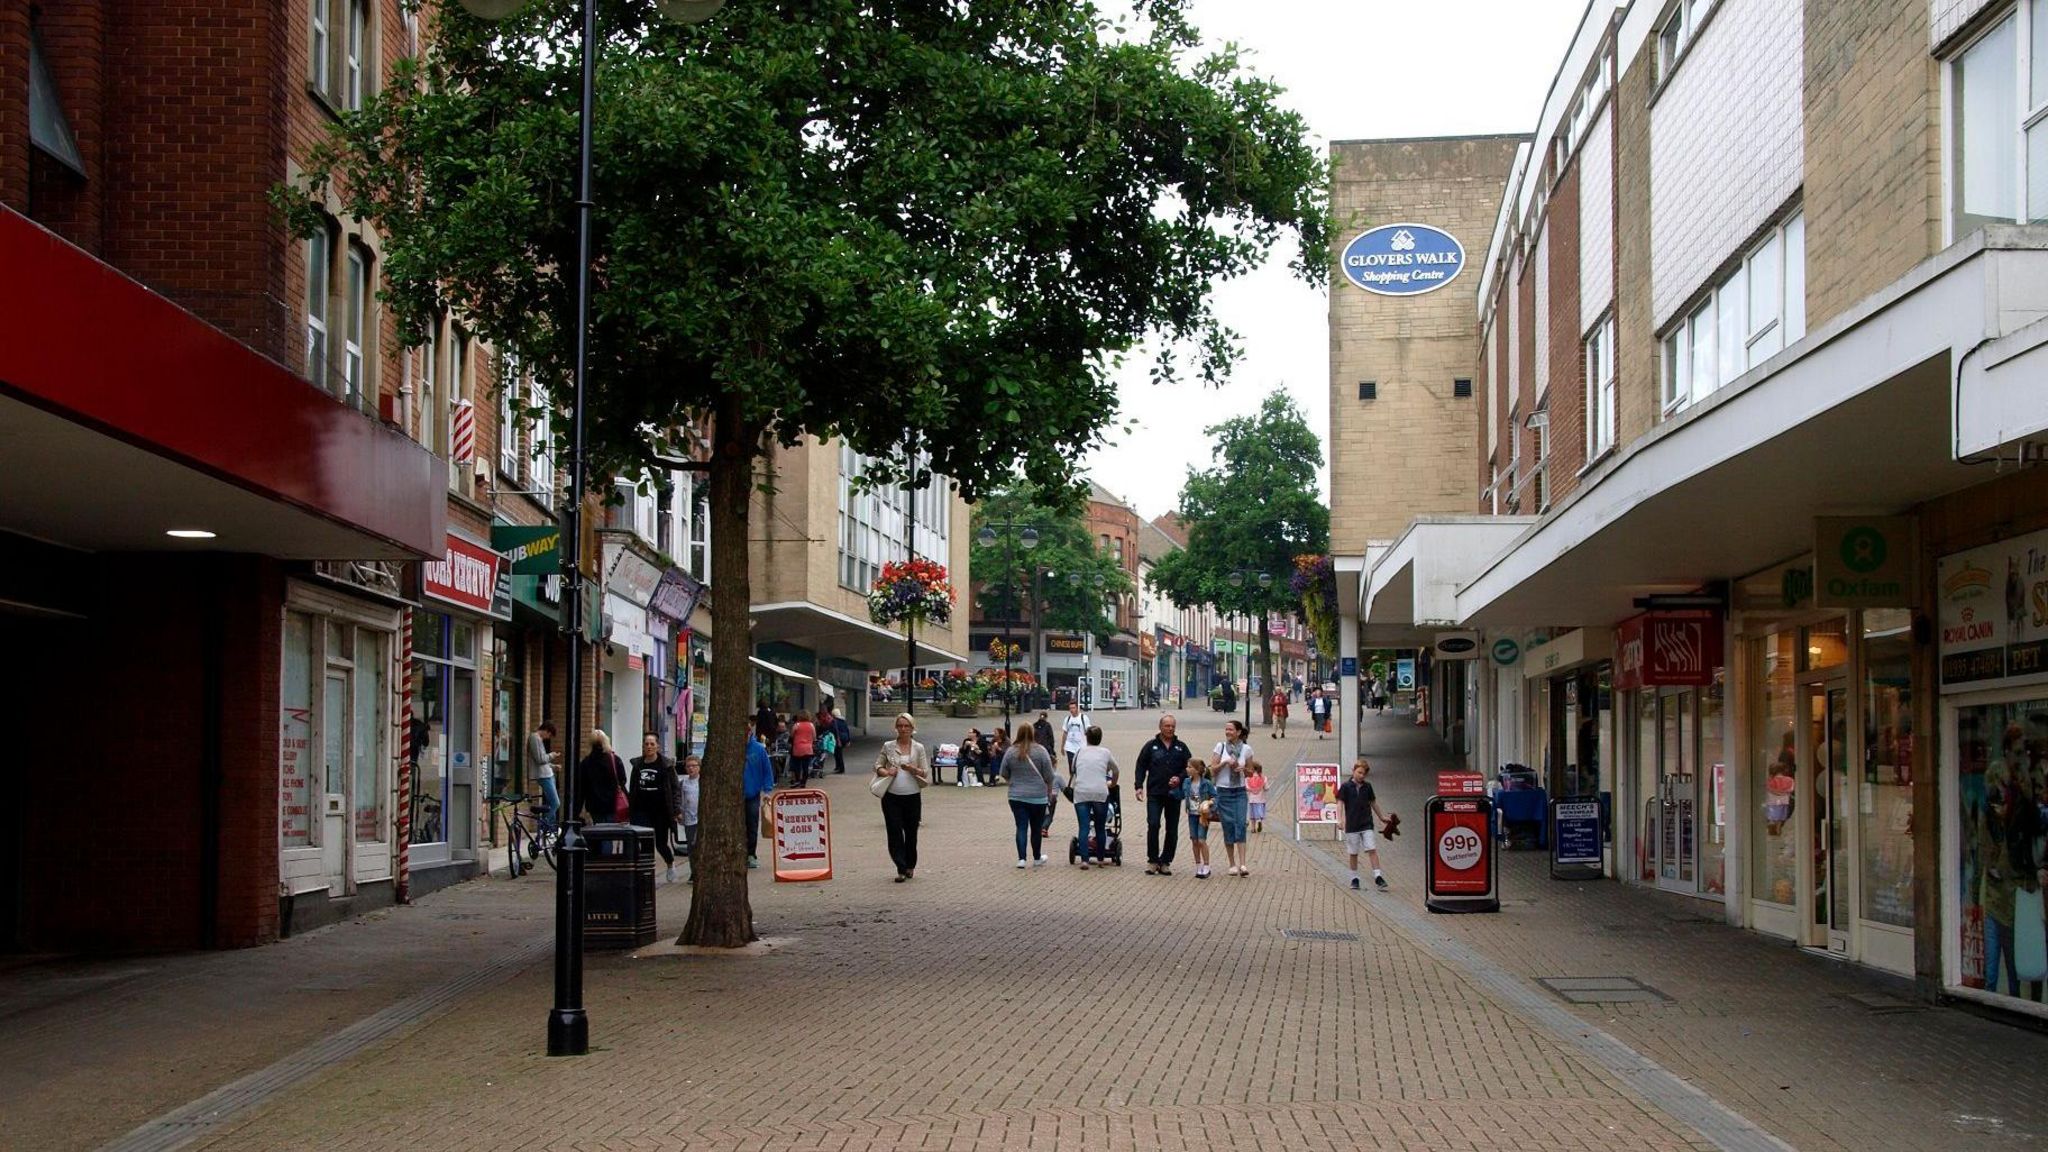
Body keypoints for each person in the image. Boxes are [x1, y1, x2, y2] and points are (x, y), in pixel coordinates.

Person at [1134, 714, 1194, 876]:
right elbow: (1141, 765)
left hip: (1174, 794)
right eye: (1167, 726)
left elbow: (1190, 768)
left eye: (1173, 726)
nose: (1170, 729)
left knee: (1172, 828)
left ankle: (1166, 861)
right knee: (1153, 824)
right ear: (1160, 727)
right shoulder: (1151, 746)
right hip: (1155, 792)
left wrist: (1180, 778)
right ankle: (1152, 860)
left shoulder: (1181, 747)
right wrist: (1138, 786)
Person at [873, 713, 930, 882]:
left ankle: (910, 864)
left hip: (912, 795)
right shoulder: (888, 746)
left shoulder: (918, 747)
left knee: (911, 832)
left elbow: (924, 771)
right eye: (900, 726)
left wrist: (913, 769)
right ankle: (901, 867)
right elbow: (877, 765)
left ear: (912, 728)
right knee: (894, 831)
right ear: (896, 728)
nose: (903, 729)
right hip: (891, 796)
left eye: (907, 726)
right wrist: (886, 771)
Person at [1000, 722, 1057, 867]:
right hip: (1038, 796)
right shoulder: (1041, 751)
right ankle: (1037, 858)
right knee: (1036, 829)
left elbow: (1004, 772)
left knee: (1021, 827)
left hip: (1016, 796)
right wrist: (1049, 792)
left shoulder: (1011, 751)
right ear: (1033, 733)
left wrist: (1012, 782)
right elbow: (1049, 776)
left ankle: (1021, 859)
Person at [629, 732, 682, 883]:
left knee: (660, 843)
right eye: (646, 744)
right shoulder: (638, 765)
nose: (649, 747)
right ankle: (647, 874)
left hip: (661, 811)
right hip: (641, 810)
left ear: (658, 746)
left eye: (652, 744)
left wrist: (676, 809)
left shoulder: (666, 765)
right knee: (644, 842)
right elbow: (633, 787)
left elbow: (675, 788)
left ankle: (670, 863)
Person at [1210, 720, 1255, 877]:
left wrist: (1244, 769)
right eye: (1226, 729)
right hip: (1223, 791)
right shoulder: (1220, 747)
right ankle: (1232, 864)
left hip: (1240, 791)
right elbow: (1212, 770)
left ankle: (1243, 864)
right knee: (1228, 825)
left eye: (1231, 729)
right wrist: (1224, 763)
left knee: (1241, 824)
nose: (1228, 732)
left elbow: (1251, 772)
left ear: (1238, 732)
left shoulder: (1247, 749)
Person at [1339, 758, 1391, 890]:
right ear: (1353, 771)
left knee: (1371, 849)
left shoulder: (1367, 787)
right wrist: (1340, 819)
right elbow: (1340, 803)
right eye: (1359, 772)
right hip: (1352, 824)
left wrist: (1381, 817)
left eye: (1363, 774)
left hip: (1366, 823)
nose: (1361, 776)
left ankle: (1378, 876)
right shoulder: (1345, 787)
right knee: (1353, 852)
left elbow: (1373, 802)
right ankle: (1354, 878)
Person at [1070, 725, 1118, 868]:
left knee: (1084, 827)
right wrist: (1112, 784)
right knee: (1100, 826)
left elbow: (1073, 770)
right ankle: (1101, 858)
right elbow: (1116, 770)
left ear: (1086, 737)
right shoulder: (1105, 753)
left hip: (1082, 791)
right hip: (1100, 792)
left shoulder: (1079, 752)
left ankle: (1084, 860)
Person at [578, 730, 626, 825]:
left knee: (597, 832)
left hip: (594, 805)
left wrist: (579, 809)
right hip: (612, 804)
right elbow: (622, 779)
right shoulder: (614, 759)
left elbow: (581, 787)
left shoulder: (586, 762)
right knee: (609, 832)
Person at [743, 729, 775, 868]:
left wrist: (767, 790)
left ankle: (751, 854)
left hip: (752, 794)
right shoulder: (732, 749)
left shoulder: (758, 749)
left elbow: (767, 770)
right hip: (734, 795)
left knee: (751, 824)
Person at [1181, 760, 1218, 878]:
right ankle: (1198, 865)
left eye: (1189, 767)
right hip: (1192, 814)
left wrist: (1210, 803)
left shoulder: (1206, 783)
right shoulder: (1186, 782)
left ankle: (1207, 866)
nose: (1187, 769)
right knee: (1194, 840)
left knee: (1201, 840)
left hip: (1202, 815)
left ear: (1196, 770)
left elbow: (1215, 797)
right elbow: (1182, 794)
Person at [527, 720, 561, 832]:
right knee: (556, 803)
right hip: (543, 776)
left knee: (552, 802)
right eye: (549, 734)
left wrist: (553, 766)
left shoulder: (539, 739)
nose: (548, 737)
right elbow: (540, 759)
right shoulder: (535, 738)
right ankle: (543, 826)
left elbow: (543, 761)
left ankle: (551, 829)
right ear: (546, 730)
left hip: (547, 773)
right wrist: (552, 755)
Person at [677, 754, 702, 882]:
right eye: (688, 766)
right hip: (689, 819)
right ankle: (694, 872)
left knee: (700, 845)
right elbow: (679, 799)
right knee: (691, 846)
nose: (691, 769)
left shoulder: (703, 782)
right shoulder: (683, 783)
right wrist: (679, 813)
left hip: (701, 819)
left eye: (694, 766)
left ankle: (702, 871)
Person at [788, 710, 818, 787]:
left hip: (797, 748)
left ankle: (797, 780)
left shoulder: (796, 725)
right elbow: (814, 737)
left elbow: (791, 735)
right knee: (806, 767)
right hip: (808, 748)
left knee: (797, 766)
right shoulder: (811, 725)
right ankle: (803, 782)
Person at [1061, 699, 1091, 773]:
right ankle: (1072, 779)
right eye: (1070, 708)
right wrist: (1062, 746)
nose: (1072, 710)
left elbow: (1089, 732)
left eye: (1073, 708)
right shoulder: (1067, 719)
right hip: (1070, 746)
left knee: (1080, 766)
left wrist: (1090, 745)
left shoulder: (1084, 718)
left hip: (1081, 746)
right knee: (1071, 765)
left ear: (1077, 708)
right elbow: (1065, 732)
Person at [820, 700, 849, 774]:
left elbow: (833, 730)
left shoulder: (834, 721)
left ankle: (840, 768)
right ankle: (838, 767)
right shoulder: (843, 721)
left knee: (838, 754)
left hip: (838, 738)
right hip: (844, 738)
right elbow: (847, 730)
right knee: (839, 753)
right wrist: (848, 740)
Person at [1247, 764, 1268, 834]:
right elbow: (1266, 788)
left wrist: (1251, 790)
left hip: (1252, 799)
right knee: (1259, 812)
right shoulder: (1263, 778)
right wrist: (1264, 789)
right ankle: (1259, 821)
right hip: (1261, 799)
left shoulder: (1248, 778)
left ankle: (1253, 828)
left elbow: (1246, 788)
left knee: (1252, 815)